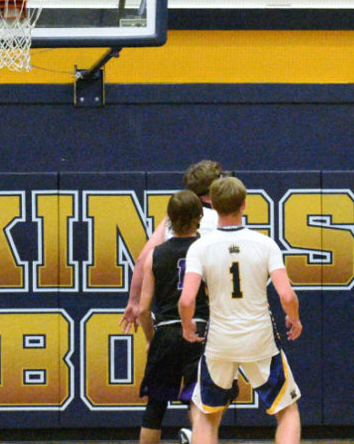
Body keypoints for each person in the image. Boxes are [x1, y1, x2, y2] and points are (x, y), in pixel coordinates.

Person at [178, 176, 302, 444]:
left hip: (220, 341)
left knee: (207, 415)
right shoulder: (265, 243)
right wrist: (294, 318)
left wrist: (187, 325)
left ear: (212, 205)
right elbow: (286, 294)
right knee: (287, 411)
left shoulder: (199, 247)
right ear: (244, 204)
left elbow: (186, 300)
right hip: (260, 339)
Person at [136, 190, 209, 444]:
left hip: (166, 332)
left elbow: (143, 309)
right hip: (198, 330)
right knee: (199, 403)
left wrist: (151, 339)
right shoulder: (206, 250)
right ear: (199, 217)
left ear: (169, 219)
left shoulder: (154, 255)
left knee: (155, 406)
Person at [119, 159, 223, 335]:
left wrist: (133, 301)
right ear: (214, 190)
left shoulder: (173, 219)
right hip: (204, 316)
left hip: (169, 315)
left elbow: (142, 259)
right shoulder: (220, 219)